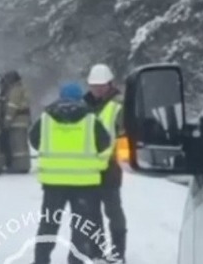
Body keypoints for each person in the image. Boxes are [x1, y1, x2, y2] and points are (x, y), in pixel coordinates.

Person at [29, 82, 112, 264]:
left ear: (60, 96)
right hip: (84, 182)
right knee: (80, 227)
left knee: (49, 224)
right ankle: (76, 260)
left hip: (53, 182)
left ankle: (41, 260)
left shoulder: (45, 118)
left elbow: (34, 140)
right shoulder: (91, 119)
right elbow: (105, 142)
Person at [84, 63, 127, 263]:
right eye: (94, 85)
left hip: (110, 166)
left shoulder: (119, 105)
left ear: (110, 84)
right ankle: (96, 252)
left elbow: (124, 134)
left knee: (113, 212)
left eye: (101, 85)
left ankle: (118, 253)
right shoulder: (85, 106)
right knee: (92, 213)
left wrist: (122, 159)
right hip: (89, 168)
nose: (97, 89)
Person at [3, 70, 32, 173]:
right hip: (24, 120)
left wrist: (7, 122)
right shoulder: (23, 88)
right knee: (23, 145)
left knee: (17, 145)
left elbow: (12, 107)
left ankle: (20, 167)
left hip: (16, 121)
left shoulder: (15, 90)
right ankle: (25, 165)